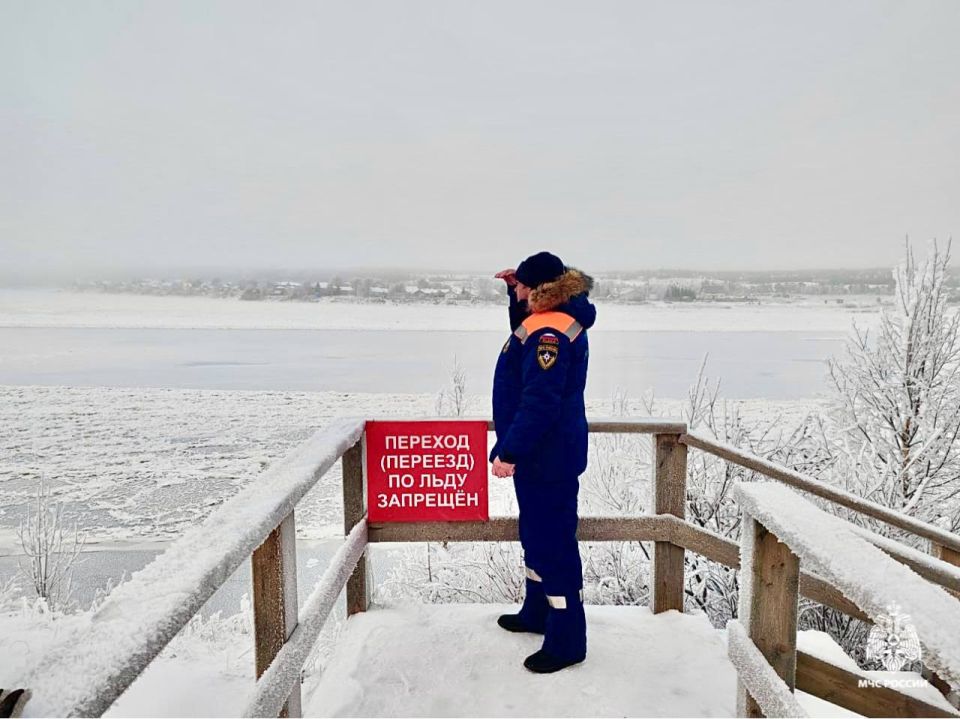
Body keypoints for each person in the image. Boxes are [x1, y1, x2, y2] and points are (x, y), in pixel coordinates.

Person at [489, 251, 596, 673]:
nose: (517, 293)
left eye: (521, 288)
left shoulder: (550, 333)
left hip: (546, 455)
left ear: (539, 292)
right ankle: (537, 612)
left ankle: (567, 638)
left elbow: (540, 401)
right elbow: (523, 331)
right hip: (544, 454)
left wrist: (510, 450)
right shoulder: (550, 317)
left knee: (553, 543)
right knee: (535, 535)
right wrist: (514, 292)